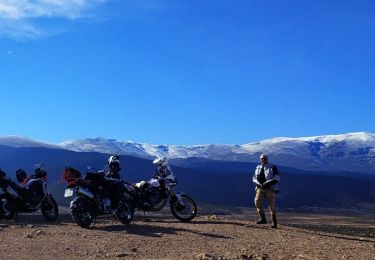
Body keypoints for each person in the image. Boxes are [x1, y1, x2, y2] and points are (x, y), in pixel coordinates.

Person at [252, 154, 280, 228]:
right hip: (260, 188)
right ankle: (263, 218)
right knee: (257, 201)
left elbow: (277, 178)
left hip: (270, 188)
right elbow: (254, 177)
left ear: (267, 159)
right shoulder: (258, 167)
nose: (263, 160)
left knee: (271, 205)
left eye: (264, 158)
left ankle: (274, 222)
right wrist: (257, 183)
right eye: (262, 159)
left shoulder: (272, 167)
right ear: (260, 159)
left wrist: (268, 183)